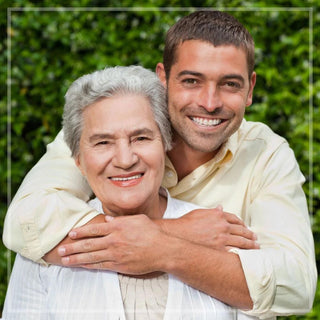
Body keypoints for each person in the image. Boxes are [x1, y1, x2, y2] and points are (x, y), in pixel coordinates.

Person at [3, 10, 316, 319]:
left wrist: (165, 250)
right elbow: (26, 218)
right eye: (191, 80)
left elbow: (295, 285)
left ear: (250, 88)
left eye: (230, 84)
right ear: (163, 78)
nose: (209, 102)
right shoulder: (115, 122)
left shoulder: (267, 154)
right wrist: (172, 231)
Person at [3, 65, 248, 319]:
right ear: (78, 161)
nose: (125, 159)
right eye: (103, 142)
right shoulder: (45, 248)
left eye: (141, 138)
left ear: (165, 145)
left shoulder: (220, 235)